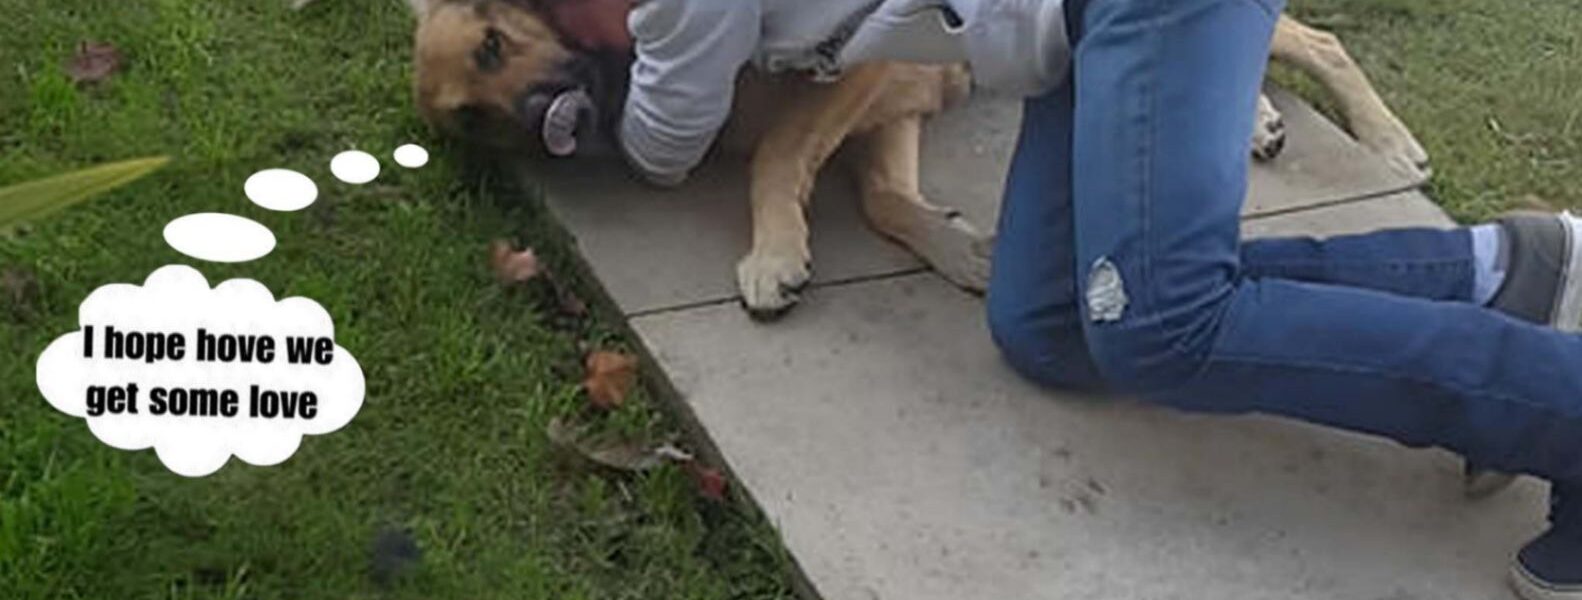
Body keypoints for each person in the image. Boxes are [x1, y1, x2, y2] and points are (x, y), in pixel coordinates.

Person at [547, 0, 1582, 596]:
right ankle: (1491, 271)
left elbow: (669, 139)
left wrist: (585, 121)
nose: (595, 38)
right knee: (1050, 323)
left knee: (1160, 327)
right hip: (1076, 28)